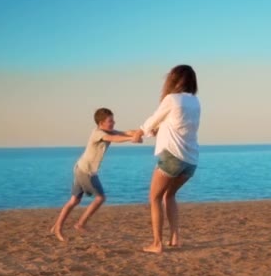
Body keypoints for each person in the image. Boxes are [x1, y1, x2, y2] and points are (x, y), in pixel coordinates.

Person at [133, 64, 200, 254]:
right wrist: (156, 130)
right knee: (169, 195)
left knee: (154, 197)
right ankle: (175, 238)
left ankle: (157, 243)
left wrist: (140, 132)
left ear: (174, 80)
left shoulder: (172, 99)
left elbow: (154, 118)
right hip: (191, 160)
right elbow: (177, 123)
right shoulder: (195, 101)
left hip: (172, 157)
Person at [51, 108, 141, 242]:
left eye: (113, 120)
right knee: (100, 198)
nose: (113, 123)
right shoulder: (98, 133)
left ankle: (56, 227)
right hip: (86, 171)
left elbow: (127, 132)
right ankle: (80, 224)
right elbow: (113, 138)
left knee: (74, 201)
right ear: (101, 123)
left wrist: (144, 132)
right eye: (110, 121)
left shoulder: (107, 130)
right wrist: (132, 139)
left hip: (80, 168)